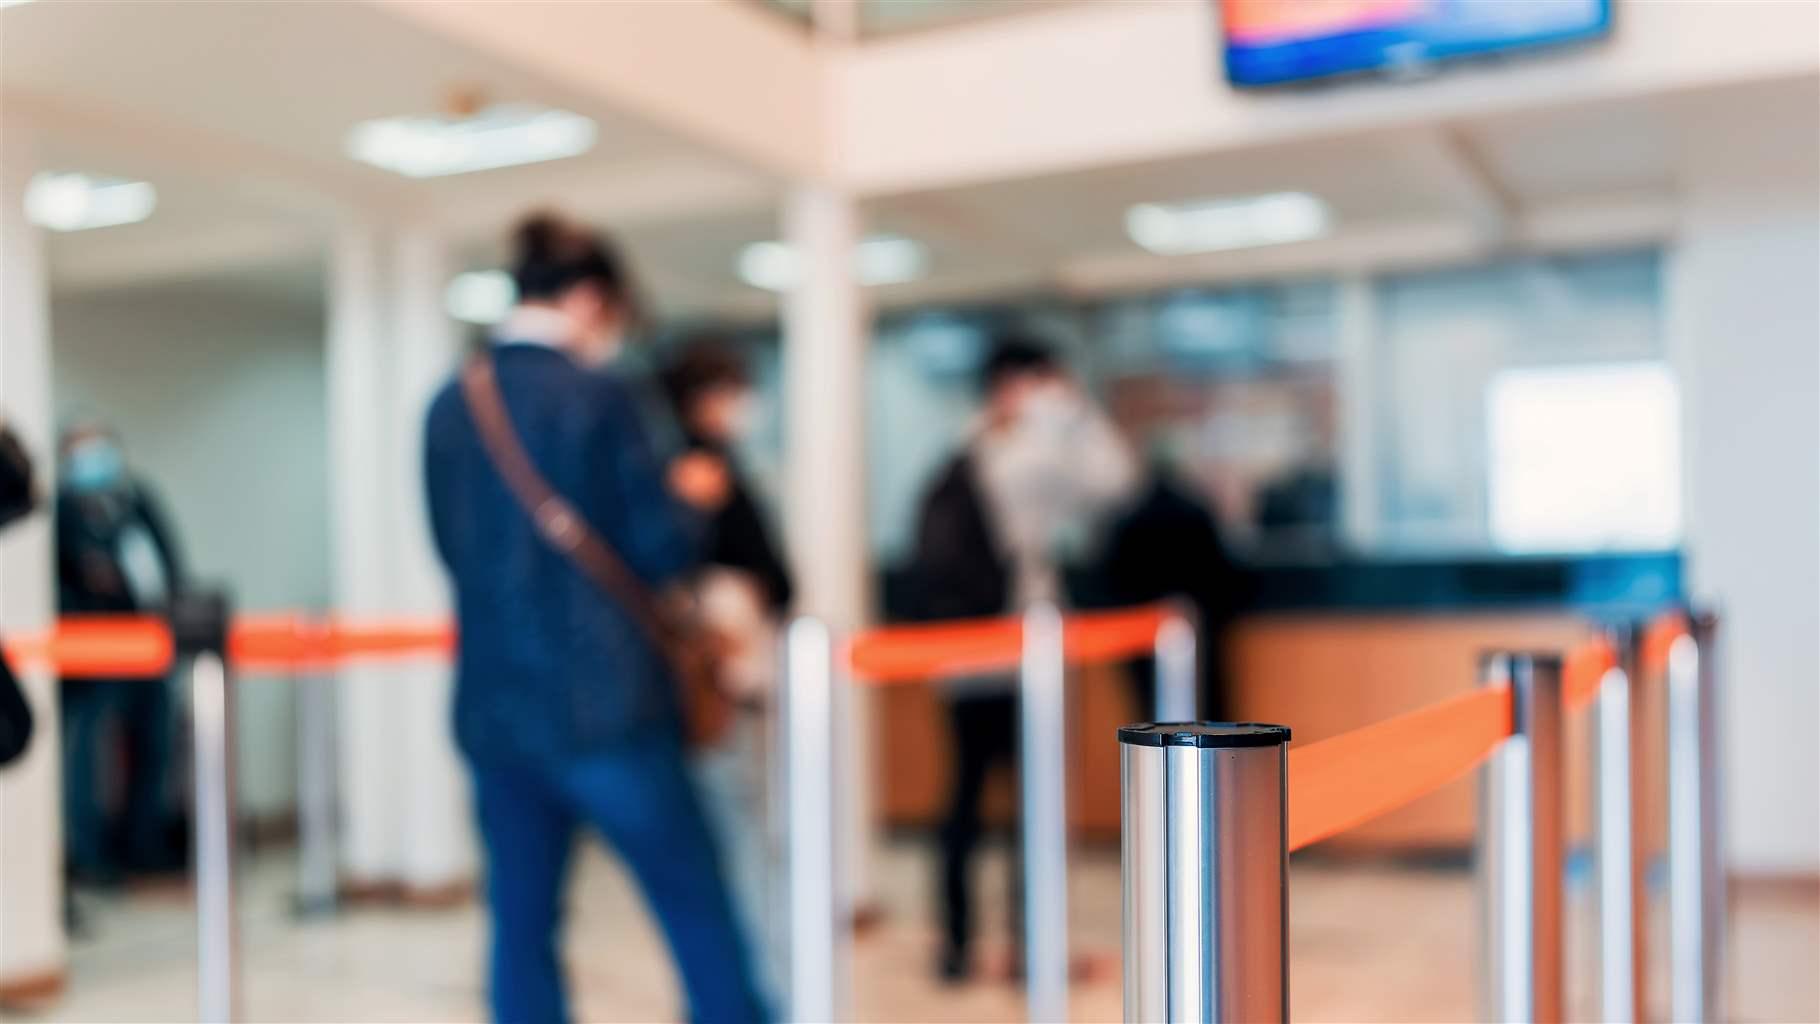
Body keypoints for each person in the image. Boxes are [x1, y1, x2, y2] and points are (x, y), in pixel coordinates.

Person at [423, 212, 765, 1024]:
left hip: (496, 712)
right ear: (587, 299)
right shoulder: (599, 396)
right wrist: (692, 500)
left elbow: (450, 547)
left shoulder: (448, 403)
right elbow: (661, 547)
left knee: (520, 929)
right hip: (609, 706)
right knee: (695, 909)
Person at [909, 333, 1137, 983]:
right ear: (1024, 384)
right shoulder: (1029, 457)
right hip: (1021, 650)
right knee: (1033, 804)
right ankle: (1030, 948)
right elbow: (1117, 484)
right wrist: (1074, 413)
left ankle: (954, 948)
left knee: (964, 796)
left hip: (962, 658)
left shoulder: (961, 448)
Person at [659, 336, 793, 1002]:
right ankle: (743, 994)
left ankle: (732, 992)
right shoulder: (693, 468)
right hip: (715, 687)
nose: (741, 405)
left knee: (740, 839)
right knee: (736, 843)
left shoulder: (717, 463)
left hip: (735, 683)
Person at [54, 424, 185, 884]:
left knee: (156, 746)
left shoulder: (137, 500)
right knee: (87, 755)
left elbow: (168, 560)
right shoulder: (65, 514)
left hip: (152, 643)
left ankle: (144, 845)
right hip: (95, 653)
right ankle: (90, 858)